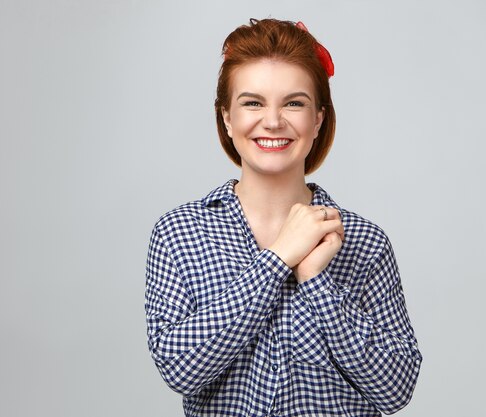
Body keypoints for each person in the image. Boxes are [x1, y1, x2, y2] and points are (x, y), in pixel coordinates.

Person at [145, 18, 422, 417]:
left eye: (293, 103)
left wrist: (317, 285)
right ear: (226, 117)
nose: (273, 121)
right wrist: (277, 260)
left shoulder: (364, 241)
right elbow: (178, 368)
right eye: (252, 103)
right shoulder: (179, 233)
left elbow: (396, 389)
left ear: (318, 119)